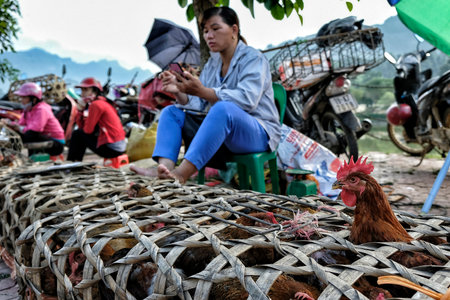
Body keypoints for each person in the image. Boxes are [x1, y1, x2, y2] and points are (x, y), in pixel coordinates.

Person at [131, 6, 281, 183]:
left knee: (223, 108)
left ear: (234, 30)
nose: (209, 36)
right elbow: (199, 104)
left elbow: (247, 100)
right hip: (222, 133)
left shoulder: (253, 58)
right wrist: (180, 91)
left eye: (215, 29)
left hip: (257, 134)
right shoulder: (212, 65)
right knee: (171, 112)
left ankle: (181, 174)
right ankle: (165, 169)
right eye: (205, 31)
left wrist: (203, 91)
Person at [67, 77, 126, 161]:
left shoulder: (96, 105)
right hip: (119, 147)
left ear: (95, 91)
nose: (82, 94)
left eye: (86, 90)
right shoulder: (102, 102)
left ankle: (72, 163)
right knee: (79, 134)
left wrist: (80, 111)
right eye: (82, 90)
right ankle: (75, 162)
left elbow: (87, 130)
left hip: (112, 149)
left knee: (77, 134)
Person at [2, 82, 65, 156]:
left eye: (24, 97)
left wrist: (19, 128)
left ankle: (14, 156)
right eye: (21, 97)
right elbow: (20, 124)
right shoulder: (28, 110)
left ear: (34, 100)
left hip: (55, 143)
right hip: (41, 136)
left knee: (27, 135)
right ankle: (12, 157)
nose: (21, 100)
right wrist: (9, 124)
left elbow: (35, 130)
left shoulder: (42, 109)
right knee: (13, 134)